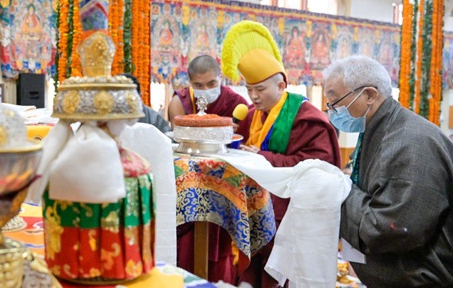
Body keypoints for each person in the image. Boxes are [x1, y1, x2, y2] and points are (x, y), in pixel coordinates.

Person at [221, 20, 341, 288]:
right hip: (252, 204)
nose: (253, 96)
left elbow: (319, 166)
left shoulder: (305, 117)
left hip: (289, 210)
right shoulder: (250, 115)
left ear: (282, 85)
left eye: (260, 89)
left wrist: (264, 159)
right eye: (249, 89)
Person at [324, 56, 453, 286]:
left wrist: (338, 191)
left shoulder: (412, 143)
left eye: (336, 103)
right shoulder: (377, 131)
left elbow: (394, 229)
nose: (332, 112)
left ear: (370, 95)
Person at [169, 54, 249, 284]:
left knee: (220, 245)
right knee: (184, 247)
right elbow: (177, 142)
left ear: (220, 78)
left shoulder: (237, 104)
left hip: (222, 186)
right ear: (190, 83)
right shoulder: (180, 101)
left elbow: (243, 145)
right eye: (199, 85)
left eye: (212, 84)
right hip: (186, 187)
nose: (206, 90)